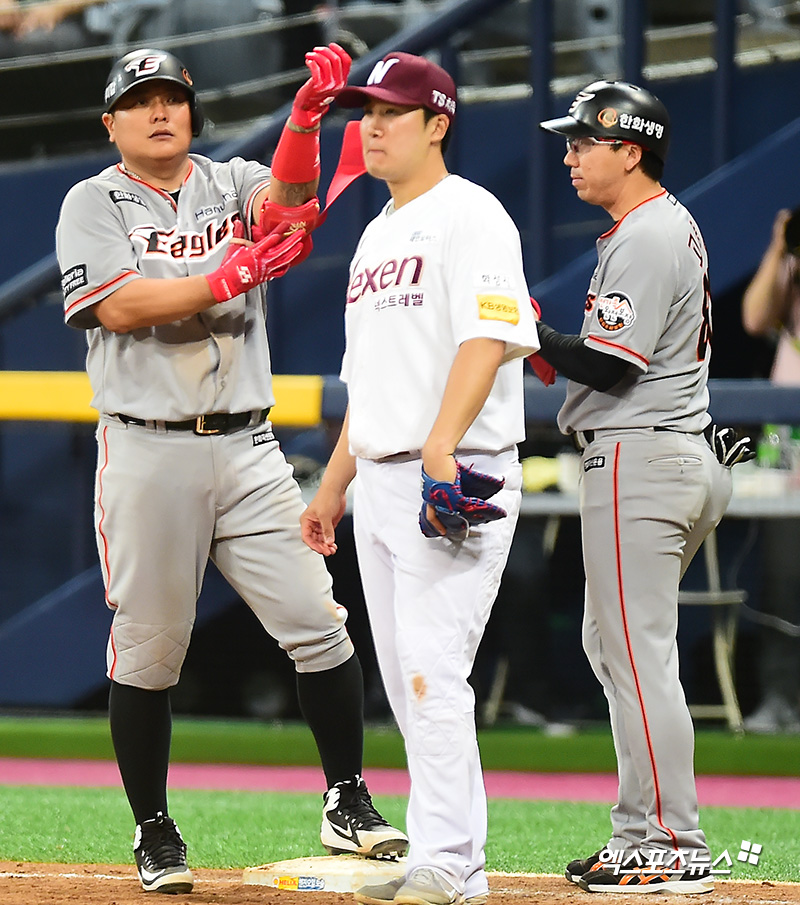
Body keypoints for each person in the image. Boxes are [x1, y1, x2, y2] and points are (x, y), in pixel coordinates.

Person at [55, 44, 407, 895]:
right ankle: (153, 827)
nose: (159, 110)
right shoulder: (91, 200)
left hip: (249, 444)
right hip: (147, 445)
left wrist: (304, 121)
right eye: (139, 100)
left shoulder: (231, 179)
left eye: (172, 96)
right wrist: (225, 277)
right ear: (111, 123)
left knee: (320, 622)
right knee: (150, 648)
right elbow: (117, 304)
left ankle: (346, 796)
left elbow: (290, 206)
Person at [300, 51, 540, 905]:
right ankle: (450, 857)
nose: (371, 127)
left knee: (434, 668)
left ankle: (449, 860)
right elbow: (369, 382)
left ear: (438, 123)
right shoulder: (375, 234)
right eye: (365, 112)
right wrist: (335, 484)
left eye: (391, 112)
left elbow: (489, 337)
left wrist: (442, 444)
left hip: (456, 475)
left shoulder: (471, 213)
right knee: (409, 680)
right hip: (382, 476)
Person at [534, 80, 739, 895]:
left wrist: (528, 332)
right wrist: (545, 344)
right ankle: (639, 833)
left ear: (629, 150)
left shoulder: (648, 233)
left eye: (584, 141)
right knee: (616, 650)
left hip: (641, 458)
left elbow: (612, 364)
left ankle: (671, 843)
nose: (570, 155)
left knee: (638, 657)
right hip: (668, 453)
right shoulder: (658, 225)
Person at [740, 207, 800, 734]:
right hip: (785, 430)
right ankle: (779, 698)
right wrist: (781, 247)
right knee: (782, 573)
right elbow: (755, 318)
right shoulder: (791, 266)